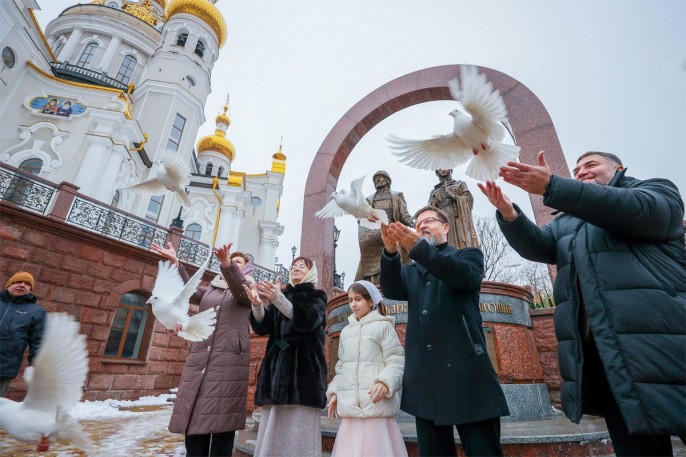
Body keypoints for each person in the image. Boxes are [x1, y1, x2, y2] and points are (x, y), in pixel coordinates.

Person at [478, 151, 686, 456]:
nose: (581, 172)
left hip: (667, 343)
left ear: (619, 168)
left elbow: (632, 210)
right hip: (608, 355)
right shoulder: (567, 221)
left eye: (591, 165)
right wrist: (510, 214)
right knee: (637, 446)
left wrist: (552, 187)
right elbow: (539, 246)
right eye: (576, 170)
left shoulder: (653, 190)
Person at [379, 206, 509, 457]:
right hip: (426, 379)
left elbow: (463, 277)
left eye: (429, 221)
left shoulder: (467, 256)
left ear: (446, 227)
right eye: (417, 223)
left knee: (483, 450)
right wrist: (391, 251)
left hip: (467, 375)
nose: (422, 225)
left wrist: (418, 248)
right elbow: (392, 289)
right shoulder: (412, 270)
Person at [151, 242, 254, 457]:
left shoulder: (249, 289)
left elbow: (241, 293)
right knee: (194, 414)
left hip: (228, 361)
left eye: (237, 262)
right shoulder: (211, 290)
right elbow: (187, 290)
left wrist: (227, 265)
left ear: (245, 269)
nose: (232, 263)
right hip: (200, 358)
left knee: (222, 420)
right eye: (231, 260)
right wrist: (176, 263)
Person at [244, 256, 328, 457]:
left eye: (302, 266)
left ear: (311, 272)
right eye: (294, 266)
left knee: (300, 431)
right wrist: (257, 305)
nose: (296, 268)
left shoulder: (317, 296)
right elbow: (264, 327)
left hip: (304, 372)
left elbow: (308, 320)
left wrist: (278, 299)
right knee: (273, 429)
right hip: (276, 371)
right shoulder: (281, 294)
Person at [326, 280, 407, 457]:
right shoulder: (346, 332)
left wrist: (385, 383)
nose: (353, 304)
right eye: (350, 300)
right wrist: (335, 393)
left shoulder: (384, 326)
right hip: (351, 417)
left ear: (371, 301)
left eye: (358, 299)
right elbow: (342, 368)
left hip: (375, 409)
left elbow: (396, 360)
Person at [356, 170, 413, 284]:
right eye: (375, 179)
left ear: (387, 180)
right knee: (373, 265)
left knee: (394, 259)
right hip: (375, 234)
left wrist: (412, 223)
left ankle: (396, 284)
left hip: (393, 232)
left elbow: (404, 215)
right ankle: (375, 285)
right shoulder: (369, 199)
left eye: (380, 177)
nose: (377, 180)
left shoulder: (397, 196)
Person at [0, 272, 47, 397]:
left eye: (27, 284)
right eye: (18, 282)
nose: (22, 285)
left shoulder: (36, 312)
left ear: (30, 290)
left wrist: (35, 367)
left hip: (4, 367)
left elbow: (38, 342)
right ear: (9, 285)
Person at [428, 169, 479, 249]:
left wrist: (454, 197)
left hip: (458, 218)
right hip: (442, 220)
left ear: (451, 169)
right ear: (437, 172)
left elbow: (469, 199)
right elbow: (430, 210)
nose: (443, 169)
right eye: (440, 168)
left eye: (446, 166)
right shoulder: (434, 191)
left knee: (461, 243)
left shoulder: (460, 184)